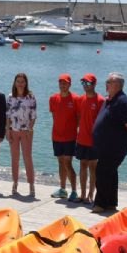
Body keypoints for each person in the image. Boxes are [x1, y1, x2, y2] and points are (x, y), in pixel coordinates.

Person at [92, 72, 127, 213]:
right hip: (106, 146)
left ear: (117, 85)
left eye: (109, 82)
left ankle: (100, 204)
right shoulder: (110, 99)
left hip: (114, 147)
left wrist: (117, 137)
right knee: (110, 173)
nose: (106, 84)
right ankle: (111, 203)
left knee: (102, 172)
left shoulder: (122, 102)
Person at [75, 73, 105, 204]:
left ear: (94, 84)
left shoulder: (100, 101)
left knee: (93, 168)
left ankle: (91, 194)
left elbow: (103, 122)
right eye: (83, 83)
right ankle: (82, 194)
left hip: (94, 141)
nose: (85, 86)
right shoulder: (80, 99)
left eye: (88, 83)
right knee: (82, 166)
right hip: (82, 138)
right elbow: (78, 117)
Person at [49, 73, 79, 202]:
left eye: (65, 83)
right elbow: (54, 116)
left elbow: (78, 119)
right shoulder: (53, 98)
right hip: (56, 136)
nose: (63, 85)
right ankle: (62, 189)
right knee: (60, 162)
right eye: (61, 83)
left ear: (69, 84)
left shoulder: (76, 99)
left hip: (70, 137)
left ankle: (74, 191)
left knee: (68, 163)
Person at [6, 73, 37, 196]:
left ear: (26, 83)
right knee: (15, 158)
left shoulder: (30, 97)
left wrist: (30, 129)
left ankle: (31, 184)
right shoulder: (10, 97)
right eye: (18, 81)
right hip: (13, 131)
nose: (20, 83)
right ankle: (15, 183)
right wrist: (7, 130)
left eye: (22, 81)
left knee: (27, 158)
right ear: (15, 83)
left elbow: (33, 116)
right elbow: (7, 115)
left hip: (26, 132)